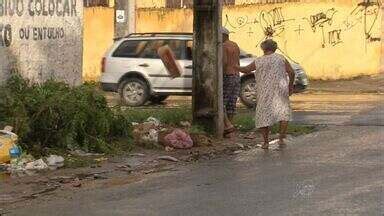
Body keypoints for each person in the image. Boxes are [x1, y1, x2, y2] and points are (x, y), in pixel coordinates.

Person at [236, 39, 295, 149]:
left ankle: (266, 142)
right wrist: (290, 86)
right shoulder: (281, 59)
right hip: (280, 90)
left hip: (264, 91)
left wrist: (234, 66)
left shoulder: (259, 61)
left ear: (263, 49)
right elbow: (291, 72)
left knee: (263, 114)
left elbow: (246, 70)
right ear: (275, 48)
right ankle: (281, 138)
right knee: (283, 112)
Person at [222, 27, 241, 137]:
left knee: (222, 102)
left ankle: (227, 125)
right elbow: (237, 60)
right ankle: (230, 130)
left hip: (228, 75)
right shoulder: (235, 45)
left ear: (223, 35)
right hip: (236, 75)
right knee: (231, 103)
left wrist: (222, 74)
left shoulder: (224, 46)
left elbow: (224, 62)